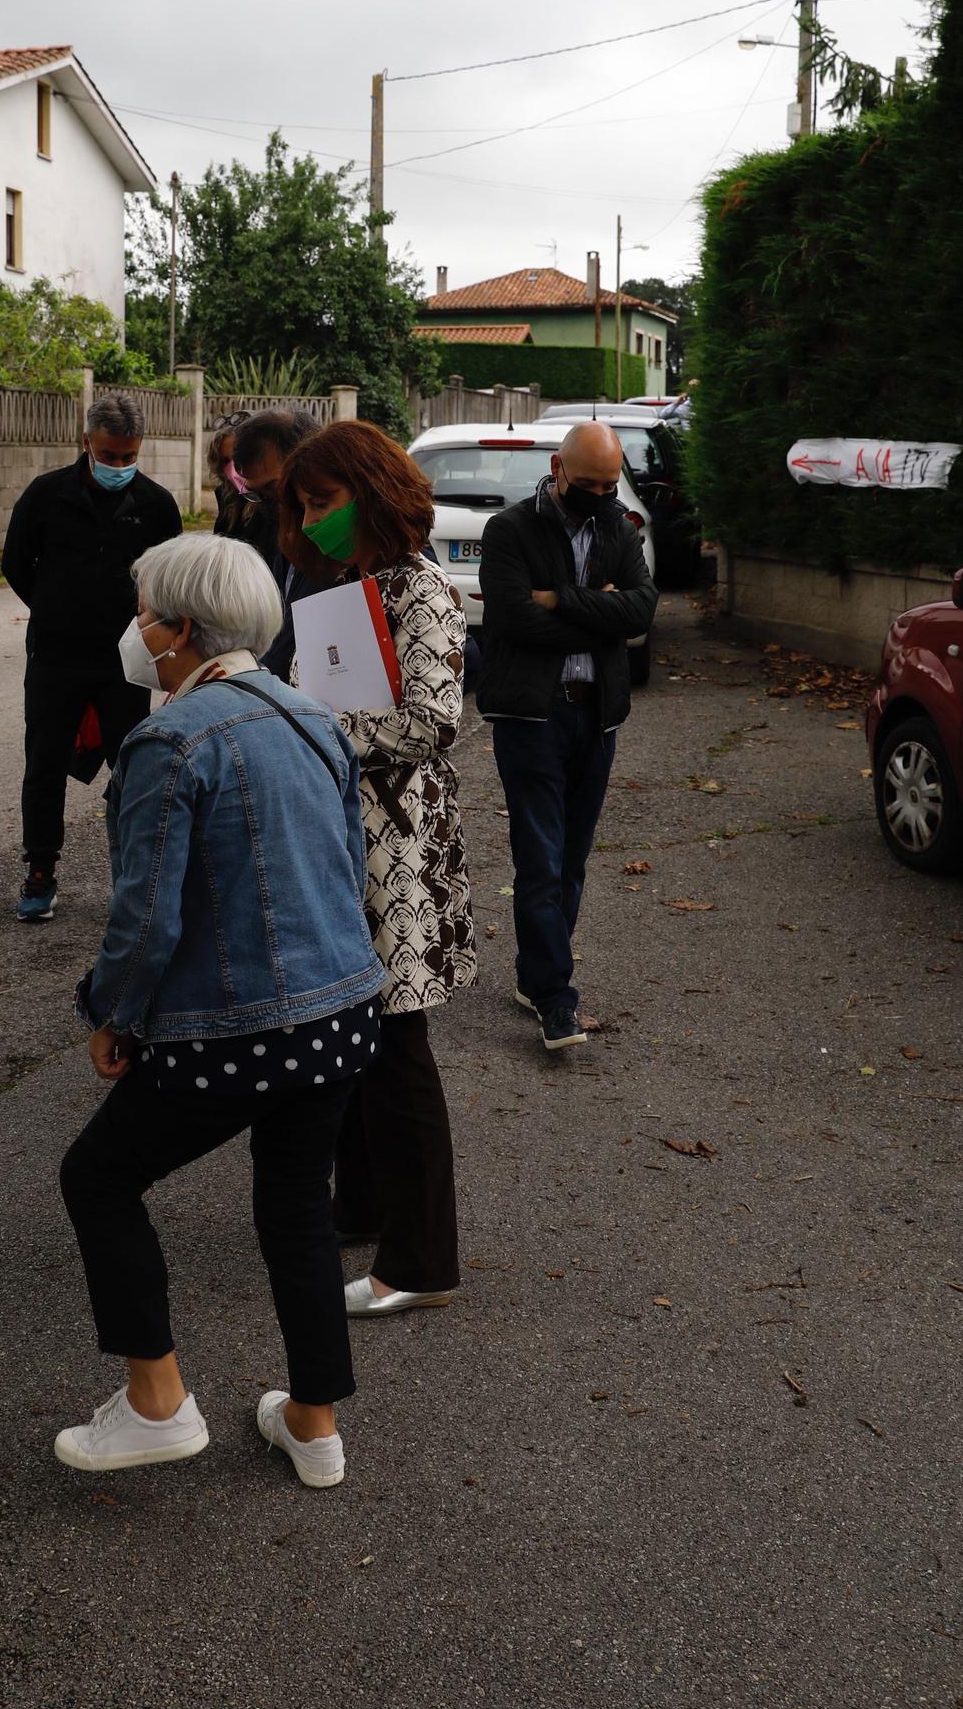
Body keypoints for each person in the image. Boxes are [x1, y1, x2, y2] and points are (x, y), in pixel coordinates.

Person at [58, 534, 386, 1489]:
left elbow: (145, 914)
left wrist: (111, 1015)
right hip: (340, 1014)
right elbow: (347, 869)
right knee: (296, 1209)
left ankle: (156, 1403)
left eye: (145, 612)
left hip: (233, 1031)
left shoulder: (170, 738)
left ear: (180, 630)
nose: (136, 629)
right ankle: (314, 1424)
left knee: (99, 1178)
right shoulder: (312, 715)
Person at [276, 422, 476, 1320]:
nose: (312, 522)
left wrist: (313, 730)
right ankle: (360, 1207)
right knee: (353, 1037)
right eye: (305, 507)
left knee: (398, 1052)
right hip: (347, 841)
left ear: (371, 493)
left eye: (323, 503)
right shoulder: (355, 586)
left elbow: (434, 720)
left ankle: (422, 1260)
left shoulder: (421, 587)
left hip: (398, 852)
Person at [476, 420, 659, 1051]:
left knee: (571, 861)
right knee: (539, 860)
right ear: (558, 469)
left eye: (612, 485)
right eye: (589, 484)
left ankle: (536, 974)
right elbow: (510, 617)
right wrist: (597, 614)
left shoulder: (617, 527)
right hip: (532, 716)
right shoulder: (509, 530)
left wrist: (562, 599)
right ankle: (557, 998)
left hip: (597, 714)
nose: (603, 495)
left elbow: (641, 610)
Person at [2, 390, 182, 923]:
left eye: (129, 457)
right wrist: (56, 607)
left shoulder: (156, 504)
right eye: (109, 456)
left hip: (126, 660)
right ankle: (40, 871)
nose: (120, 466)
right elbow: (15, 562)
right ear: (86, 443)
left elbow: (169, 583)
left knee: (132, 768)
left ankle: (132, 876)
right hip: (55, 656)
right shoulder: (45, 495)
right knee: (45, 765)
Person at [228, 407, 324, 677]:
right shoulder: (285, 532)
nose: (272, 501)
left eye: (273, 486)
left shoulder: (341, 543)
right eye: (258, 493)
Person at [207, 414, 274, 564]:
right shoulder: (227, 498)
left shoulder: (272, 502)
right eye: (225, 461)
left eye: (238, 458)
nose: (233, 467)